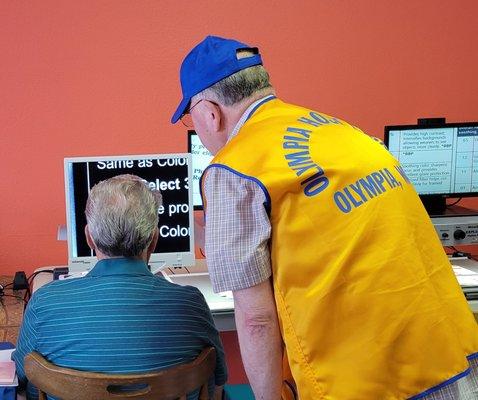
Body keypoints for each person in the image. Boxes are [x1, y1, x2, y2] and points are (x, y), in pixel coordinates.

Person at [171, 35, 478, 400]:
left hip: (367, 379)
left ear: (210, 111)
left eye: (191, 119)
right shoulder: (342, 132)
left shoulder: (233, 169)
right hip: (451, 356)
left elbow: (256, 319)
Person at [13, 174, 227, 400]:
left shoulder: (44, 303)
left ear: (89, 238)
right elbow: (218, 382)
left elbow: (20, 377)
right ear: (154, 239)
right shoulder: (191, 304)